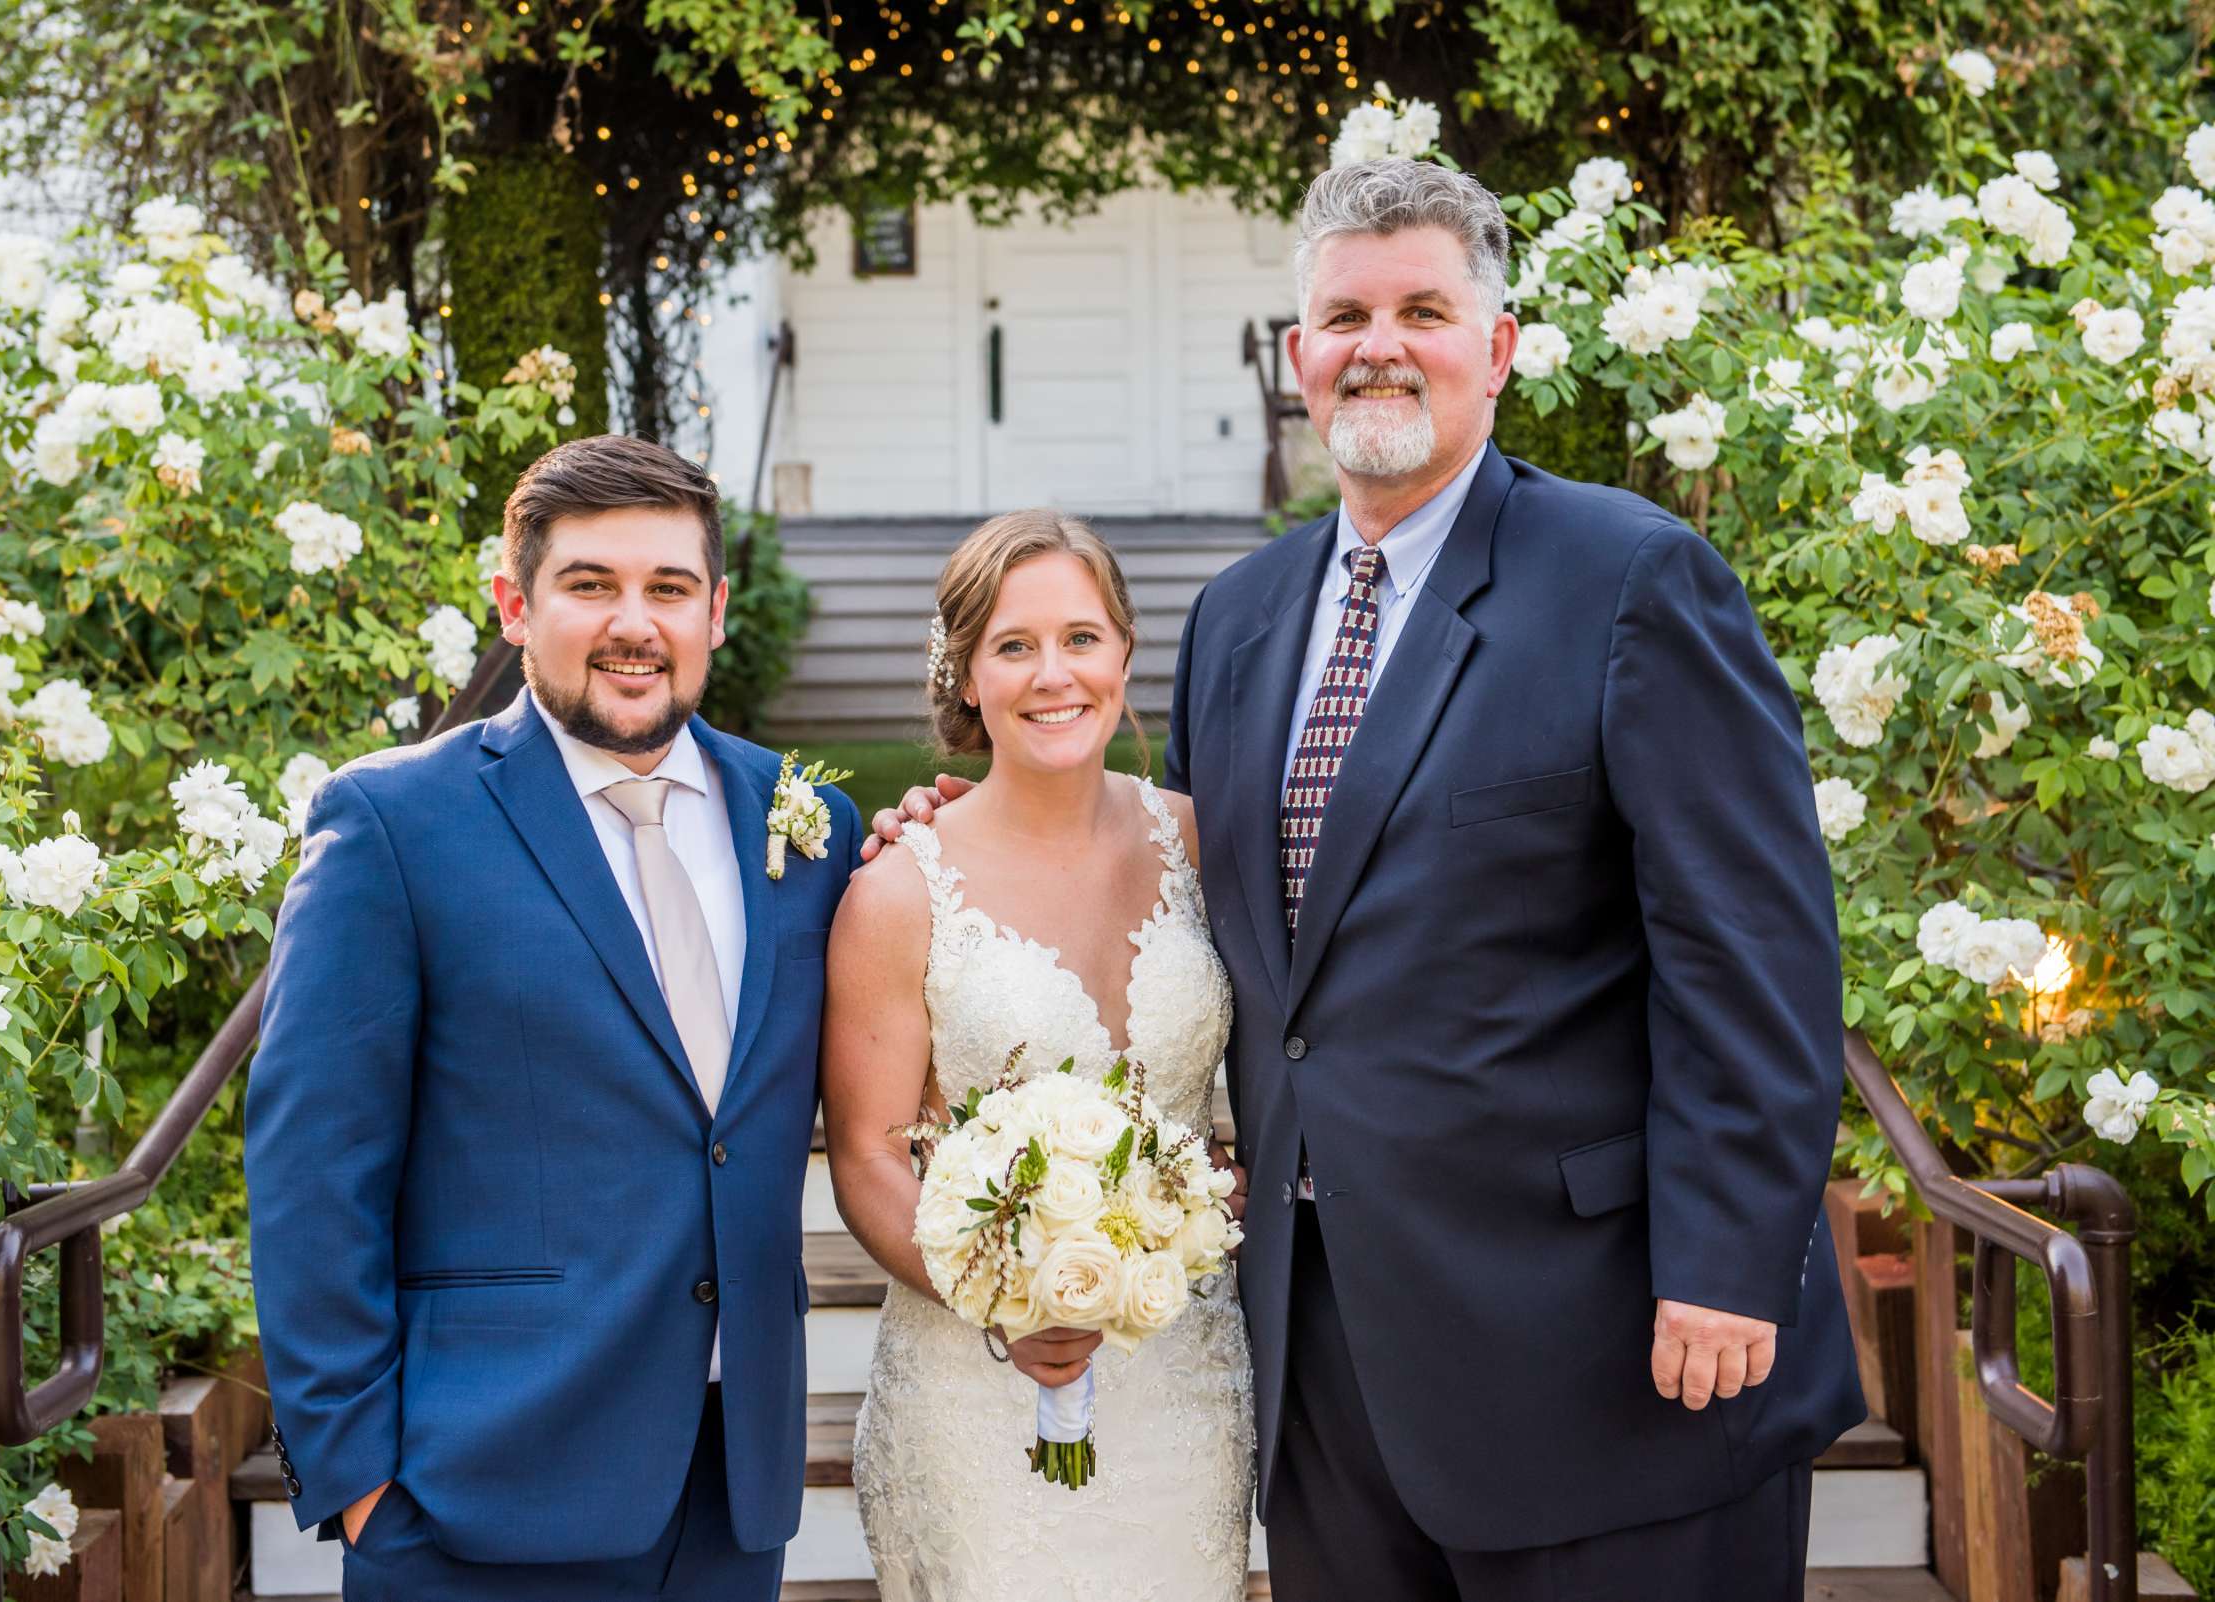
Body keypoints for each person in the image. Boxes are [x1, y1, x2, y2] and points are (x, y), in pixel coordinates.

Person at [866, 159, 1867, 1601]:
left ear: (1499, 347)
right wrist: (961, 834)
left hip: (1606, 1345)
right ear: (1299, 354)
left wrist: (1723, 1256)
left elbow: (1754, 952)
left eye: (1423, 308)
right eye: (1344, 313)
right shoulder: (1239, 619)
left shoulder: (1635, 581)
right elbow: (1206, 897)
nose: (1378, 344)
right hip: (1322, 1367)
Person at [244, 434, 857, 1602]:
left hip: (734, 1491)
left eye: (669, 588)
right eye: (591, 585)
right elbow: (311, 1170)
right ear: (514, 604)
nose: (637, 622)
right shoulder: (390, 823)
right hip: (475, 1498)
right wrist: (361, 1482)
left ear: (716, 611)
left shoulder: (804, 820)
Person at [823, 510, 1255, 1600]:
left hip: (1184, 1379)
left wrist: (1219, 1201)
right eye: (1014, 646)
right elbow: (869, 1151)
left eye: (1081, 638)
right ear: (966, 675)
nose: (1052, 674)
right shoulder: (898, 889)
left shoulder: (1206, 843)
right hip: (975, 1389)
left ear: (1123, 652)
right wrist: (1004, 1303)